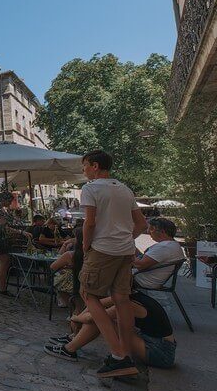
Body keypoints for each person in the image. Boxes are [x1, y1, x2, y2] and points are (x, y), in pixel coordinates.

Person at [79, 150, 147, 378]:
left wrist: (86, 246)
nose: (84, 170)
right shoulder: (124, 189)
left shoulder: (90, 188)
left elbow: (89, 223)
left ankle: (118, 355)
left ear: (95, 166)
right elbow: (141, 223)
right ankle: (126, 353)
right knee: (121, 299)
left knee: (89, 295)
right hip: (124, 251)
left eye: (85, 166)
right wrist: (127, 239)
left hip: (102, 249)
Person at [44, 290, 176, 370]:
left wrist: (76, 318)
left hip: (160, 352)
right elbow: (96, 305)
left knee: (101, 320)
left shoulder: (129, 304)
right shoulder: (131, 295)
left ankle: (70, 349)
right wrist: (79, 319)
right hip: (154, 343)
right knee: (101, 317)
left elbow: (94, 317)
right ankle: (73, 338)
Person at [0, 193, 33, 297]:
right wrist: (21, 232)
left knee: (3, 262)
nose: (11, 203)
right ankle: (2, 289)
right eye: (10, 201)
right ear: (4, 200)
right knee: (4, 262)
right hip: (0, 239)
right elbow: (4, 228)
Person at [132, 217, 185, 289]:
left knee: (114, 271)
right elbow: (142, 258)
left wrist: (126, 251)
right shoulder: (173, 245)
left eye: (151, 229)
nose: (148, 232)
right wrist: (131, 247)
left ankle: (118, 298)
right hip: (149, 279)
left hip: (142, 281)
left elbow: (139, 265)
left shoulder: (164, 247)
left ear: (162, 232)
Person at [51, 227, 85, 310]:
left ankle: (74, 310)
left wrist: (65, 244)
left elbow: (53, 266)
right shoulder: (91, 255)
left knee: (58, 282)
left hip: (73, 285)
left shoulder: (70, 255)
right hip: (88, 283)